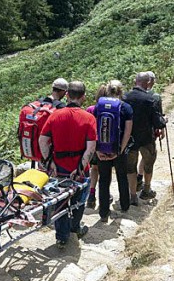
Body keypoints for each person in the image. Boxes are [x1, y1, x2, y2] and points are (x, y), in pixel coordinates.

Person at [39, 81, 96, 249]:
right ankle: (75, 227)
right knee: (80, 200)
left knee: (60, 201)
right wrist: (80, 168)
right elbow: (90, 148)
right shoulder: (89, 118)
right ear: (83, 97)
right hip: (79, 168)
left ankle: (61, 237)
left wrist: (49, 162)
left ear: (67, 95)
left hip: (59, 167)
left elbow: (42, 141)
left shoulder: (55, 115)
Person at [93, 80, 133, 221]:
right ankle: (125, 206)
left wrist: (97, 150)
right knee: (122, 177)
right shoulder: (126, 107)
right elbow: (127, 132)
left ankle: (103, 213)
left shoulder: (98, 107)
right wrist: (120, 150)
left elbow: (94, 129)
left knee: (104, 180)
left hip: (102, 149)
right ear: (121, 91)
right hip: (118, 150)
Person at [126, 71, 166, 205]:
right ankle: (146, 190)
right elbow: (158, 123)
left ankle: (132, 196)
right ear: (148, 83)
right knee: (148, 164)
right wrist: (164, 121)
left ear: (135, 81)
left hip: (129, 139)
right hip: (146, 139)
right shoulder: (150, 99)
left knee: (131, 168)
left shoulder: (125, 97)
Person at [85, 83, 109, 210]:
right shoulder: (112, 109)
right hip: (107, 144)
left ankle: (91, 193)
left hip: (93, 143)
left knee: (94, 168)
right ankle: (105, 196)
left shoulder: (90, 109)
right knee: (106, 171)